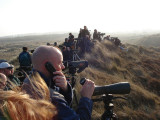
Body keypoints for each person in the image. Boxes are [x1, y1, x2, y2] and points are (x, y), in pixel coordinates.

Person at [23, 45, 95, 120]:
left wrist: (65, 89)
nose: (63, 67)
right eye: (60, 63)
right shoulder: (51, 97)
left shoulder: (29, 80)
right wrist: (86, 98)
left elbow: (64, 110)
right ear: (47, 65)